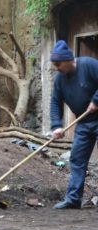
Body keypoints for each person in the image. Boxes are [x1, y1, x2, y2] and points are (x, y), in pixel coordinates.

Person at [50, 40, 98, 209]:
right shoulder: (60, 79)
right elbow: (55, 102)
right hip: (84, 123)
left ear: (69, 60)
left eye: (58, 64)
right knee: (77, 159)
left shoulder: (89, 65)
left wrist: (96, 100)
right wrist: (56, 125)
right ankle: (73, 199)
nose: (57, 67)